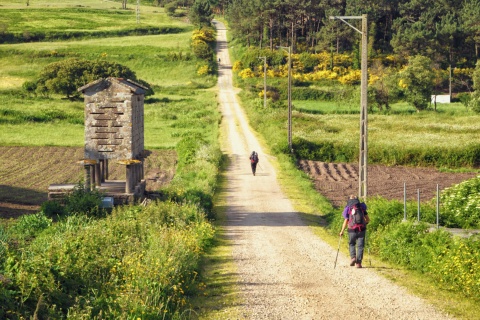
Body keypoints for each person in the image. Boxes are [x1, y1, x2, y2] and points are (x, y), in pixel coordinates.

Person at [339, 195, 369, 268]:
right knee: (360, 246)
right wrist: (364, 224)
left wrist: (342, 231)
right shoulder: (362, 207)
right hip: (361, 229)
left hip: (351, 229)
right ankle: (358, 263)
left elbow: (346, 220)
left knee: (352, 244)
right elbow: (368, 219)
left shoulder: (348, 208)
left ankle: (353, 257)